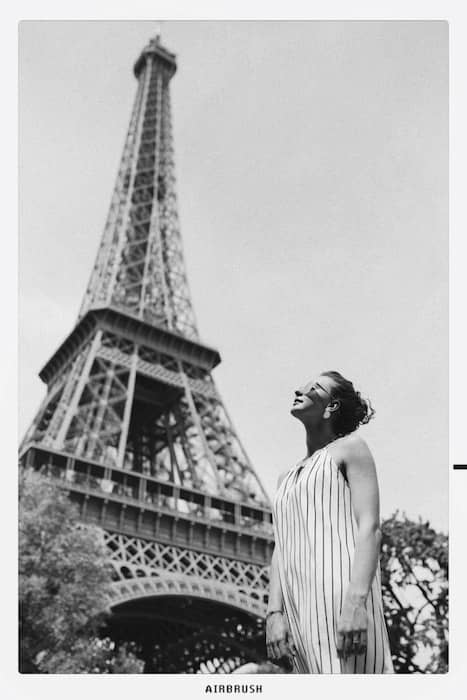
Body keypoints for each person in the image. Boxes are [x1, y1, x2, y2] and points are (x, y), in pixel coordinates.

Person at [266, 371, 393, 674]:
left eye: (315, 387)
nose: (299, 388)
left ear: (331, 406)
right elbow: (281, 547)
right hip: (299, 608)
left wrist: (356, 602)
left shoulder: (351, 449)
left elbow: (370, 528)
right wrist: (274, 613)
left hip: (341, 598)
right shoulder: (286, 477)